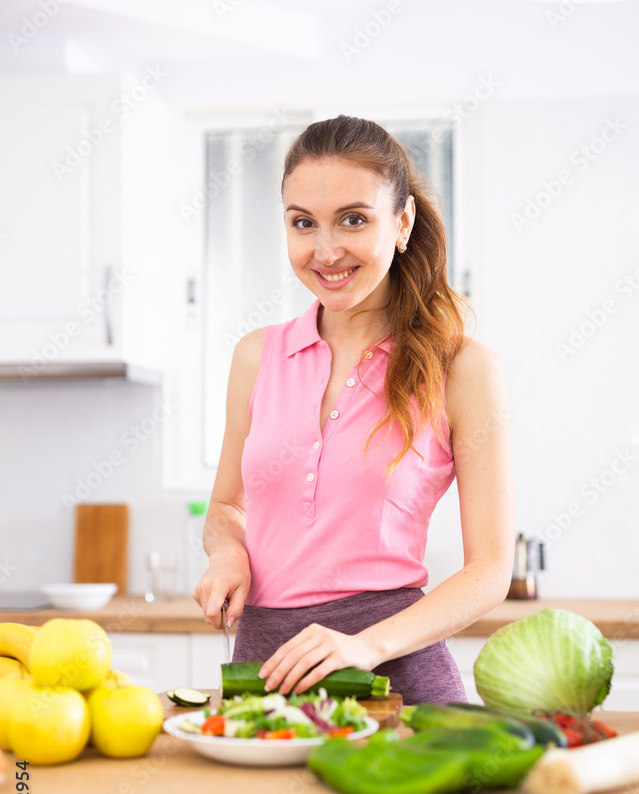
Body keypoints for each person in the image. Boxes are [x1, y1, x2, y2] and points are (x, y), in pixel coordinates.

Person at [193, 114, 514, 705]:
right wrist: (228, 552)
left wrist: (362, 645)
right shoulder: (256, 357)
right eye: (302, 223)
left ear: (402, 222)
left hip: (394, 669)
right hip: (265, 668)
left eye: (353, 219)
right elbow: (226, 507)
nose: (326, 249)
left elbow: (491, 571)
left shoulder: (462, 368)